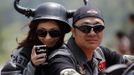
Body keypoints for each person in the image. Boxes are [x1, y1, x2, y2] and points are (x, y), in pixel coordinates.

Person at [47, 6, 129, 75]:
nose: (92, 33)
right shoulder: (61, 57)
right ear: (74, 32)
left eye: (98, 28)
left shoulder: (100, 52)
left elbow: (126, 60)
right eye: (85, 28)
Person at [1, 1, 72, 75]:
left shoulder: (68, 52)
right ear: (35, 31)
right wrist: (32, 65)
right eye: (42, 32)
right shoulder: (23, 53)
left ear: (62, 33)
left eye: (54, 33)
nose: (48, 38)